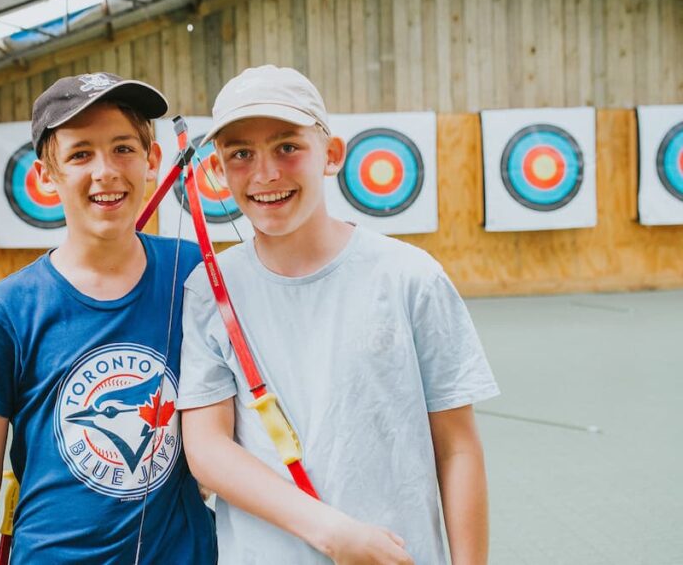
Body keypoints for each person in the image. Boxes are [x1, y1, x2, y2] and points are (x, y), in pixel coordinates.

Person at [178, 65, 499, 565]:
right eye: (241, 154)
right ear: (217, 171)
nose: (265, 174)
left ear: (331, 155)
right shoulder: (208, 289)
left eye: (288, 147)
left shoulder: (411, 276)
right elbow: (208, 451)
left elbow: (457, 448)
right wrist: (332, 532)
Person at [0, 72, 216, 564]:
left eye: (123, 149)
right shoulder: (7, 309)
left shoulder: (196, 273)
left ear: (152, 161)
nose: (106, 171)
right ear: (46, 176)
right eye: (79, 155)